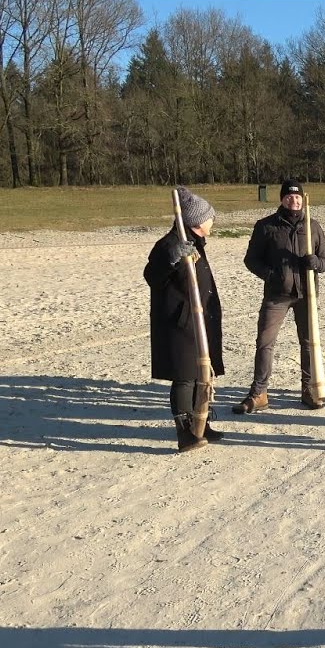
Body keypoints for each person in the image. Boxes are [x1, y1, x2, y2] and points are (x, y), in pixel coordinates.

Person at [232, 179, 325, 414]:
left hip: (306, 294)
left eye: (297, 197)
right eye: (289, 197)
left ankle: (308, 389)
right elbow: (251, 259)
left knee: (308, 344)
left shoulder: (313, 226)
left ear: (303, 199)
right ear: (282, 199)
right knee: (265, 342)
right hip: (277, 295)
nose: (293, 200)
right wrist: (269, 274)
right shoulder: (266, 226)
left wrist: (315, 263)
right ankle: (259, 393)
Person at [143, 186, 226, 453]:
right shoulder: (170, 244)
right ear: (197, 222)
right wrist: (174, 255)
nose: (213, 222)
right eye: (210, 217)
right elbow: (152, 276)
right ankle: (184, 430)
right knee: (185, 376)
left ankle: (201, 423)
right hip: (181, 321)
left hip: (200, 319)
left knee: (201, 374)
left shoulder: (197, 243)